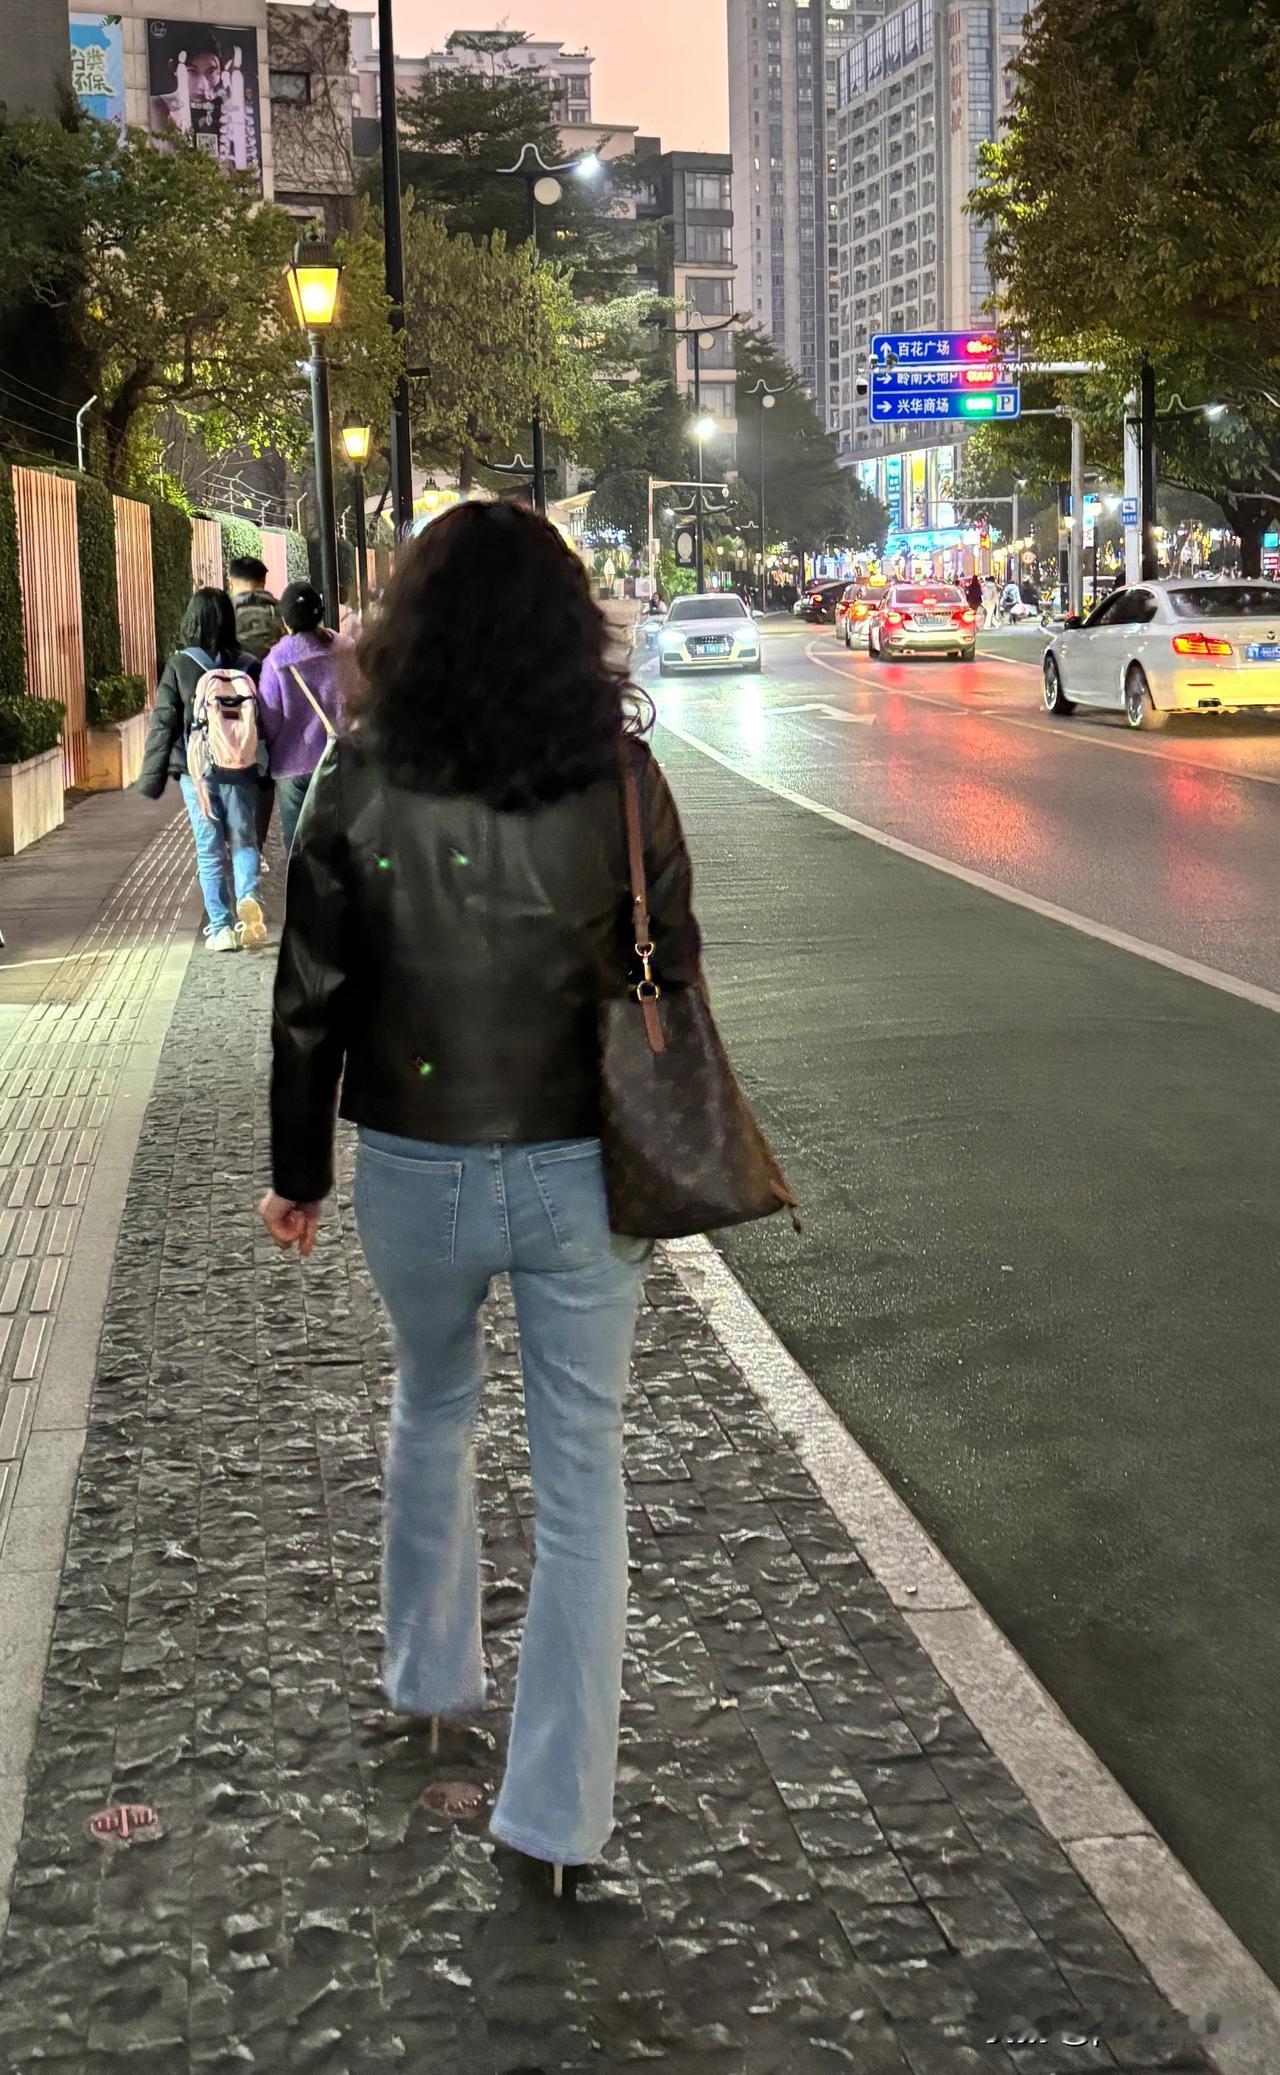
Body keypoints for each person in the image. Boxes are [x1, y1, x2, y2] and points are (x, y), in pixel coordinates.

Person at [261, 501, 701, 1898]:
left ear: (414, 623)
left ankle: (428, 1672)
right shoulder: (621, 776)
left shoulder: (362, 770)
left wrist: (295, 1169)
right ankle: (559, 1819)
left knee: (430, 1399)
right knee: (582, 1476)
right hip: (582, 1164)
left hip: (415, 1154)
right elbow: (673, 958)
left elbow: (310, 989)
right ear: (571, 626)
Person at [137, 588, 267, 953]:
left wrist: (152, 778)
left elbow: (163, 724)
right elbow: (266, 721)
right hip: (241, 768)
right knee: (244, 841)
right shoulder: (248, 664)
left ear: (191, 621)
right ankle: (249, 899)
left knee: (209, 849)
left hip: (198, 773)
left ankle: (221, 927)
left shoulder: (180, 665)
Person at [255, 582, 353, 855]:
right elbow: (358, 698)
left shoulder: (276, 661)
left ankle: (305, 882)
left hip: (293, 766)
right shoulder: (345, 649)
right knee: (339, 839)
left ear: (285, 620)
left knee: (299, 847)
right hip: (339, 760)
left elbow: (270, 719)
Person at [227, 556, 283, 856]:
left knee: (230, 768)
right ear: (263, 581)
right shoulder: (278, 610)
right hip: (268, 702)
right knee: (264, 776)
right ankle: (256, 846)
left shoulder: (224, 611)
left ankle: (233, 841)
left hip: (230, 704)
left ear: (231, 580)